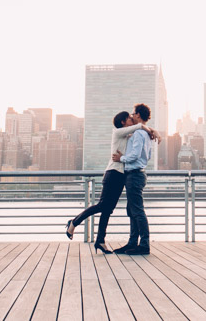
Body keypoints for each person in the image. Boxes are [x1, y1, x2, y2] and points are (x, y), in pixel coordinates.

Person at [65, 110, 159, 254]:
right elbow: (139, 127)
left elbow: (139, 132)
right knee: (103, 205)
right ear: (123, 122)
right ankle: (74, 222)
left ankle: (100, 241)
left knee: (108, 210)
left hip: (122, 175)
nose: (132, 119)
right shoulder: (118, 132)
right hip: (113, 173)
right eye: (129, 118)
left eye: (133, 116)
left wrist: (154, 132)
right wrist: (151, 130)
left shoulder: (129, 135)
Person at [112, 103, 154, 255]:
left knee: (137, 211)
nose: (131, 116)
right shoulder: (146, 134)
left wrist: (121, 158)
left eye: (133, 113)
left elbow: (135, 155)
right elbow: (147, 156)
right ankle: (132, 243)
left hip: (134, 174)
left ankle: (143, 245)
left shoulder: (138, 134)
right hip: (138, 173)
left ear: (138, 115)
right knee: (132, 210)